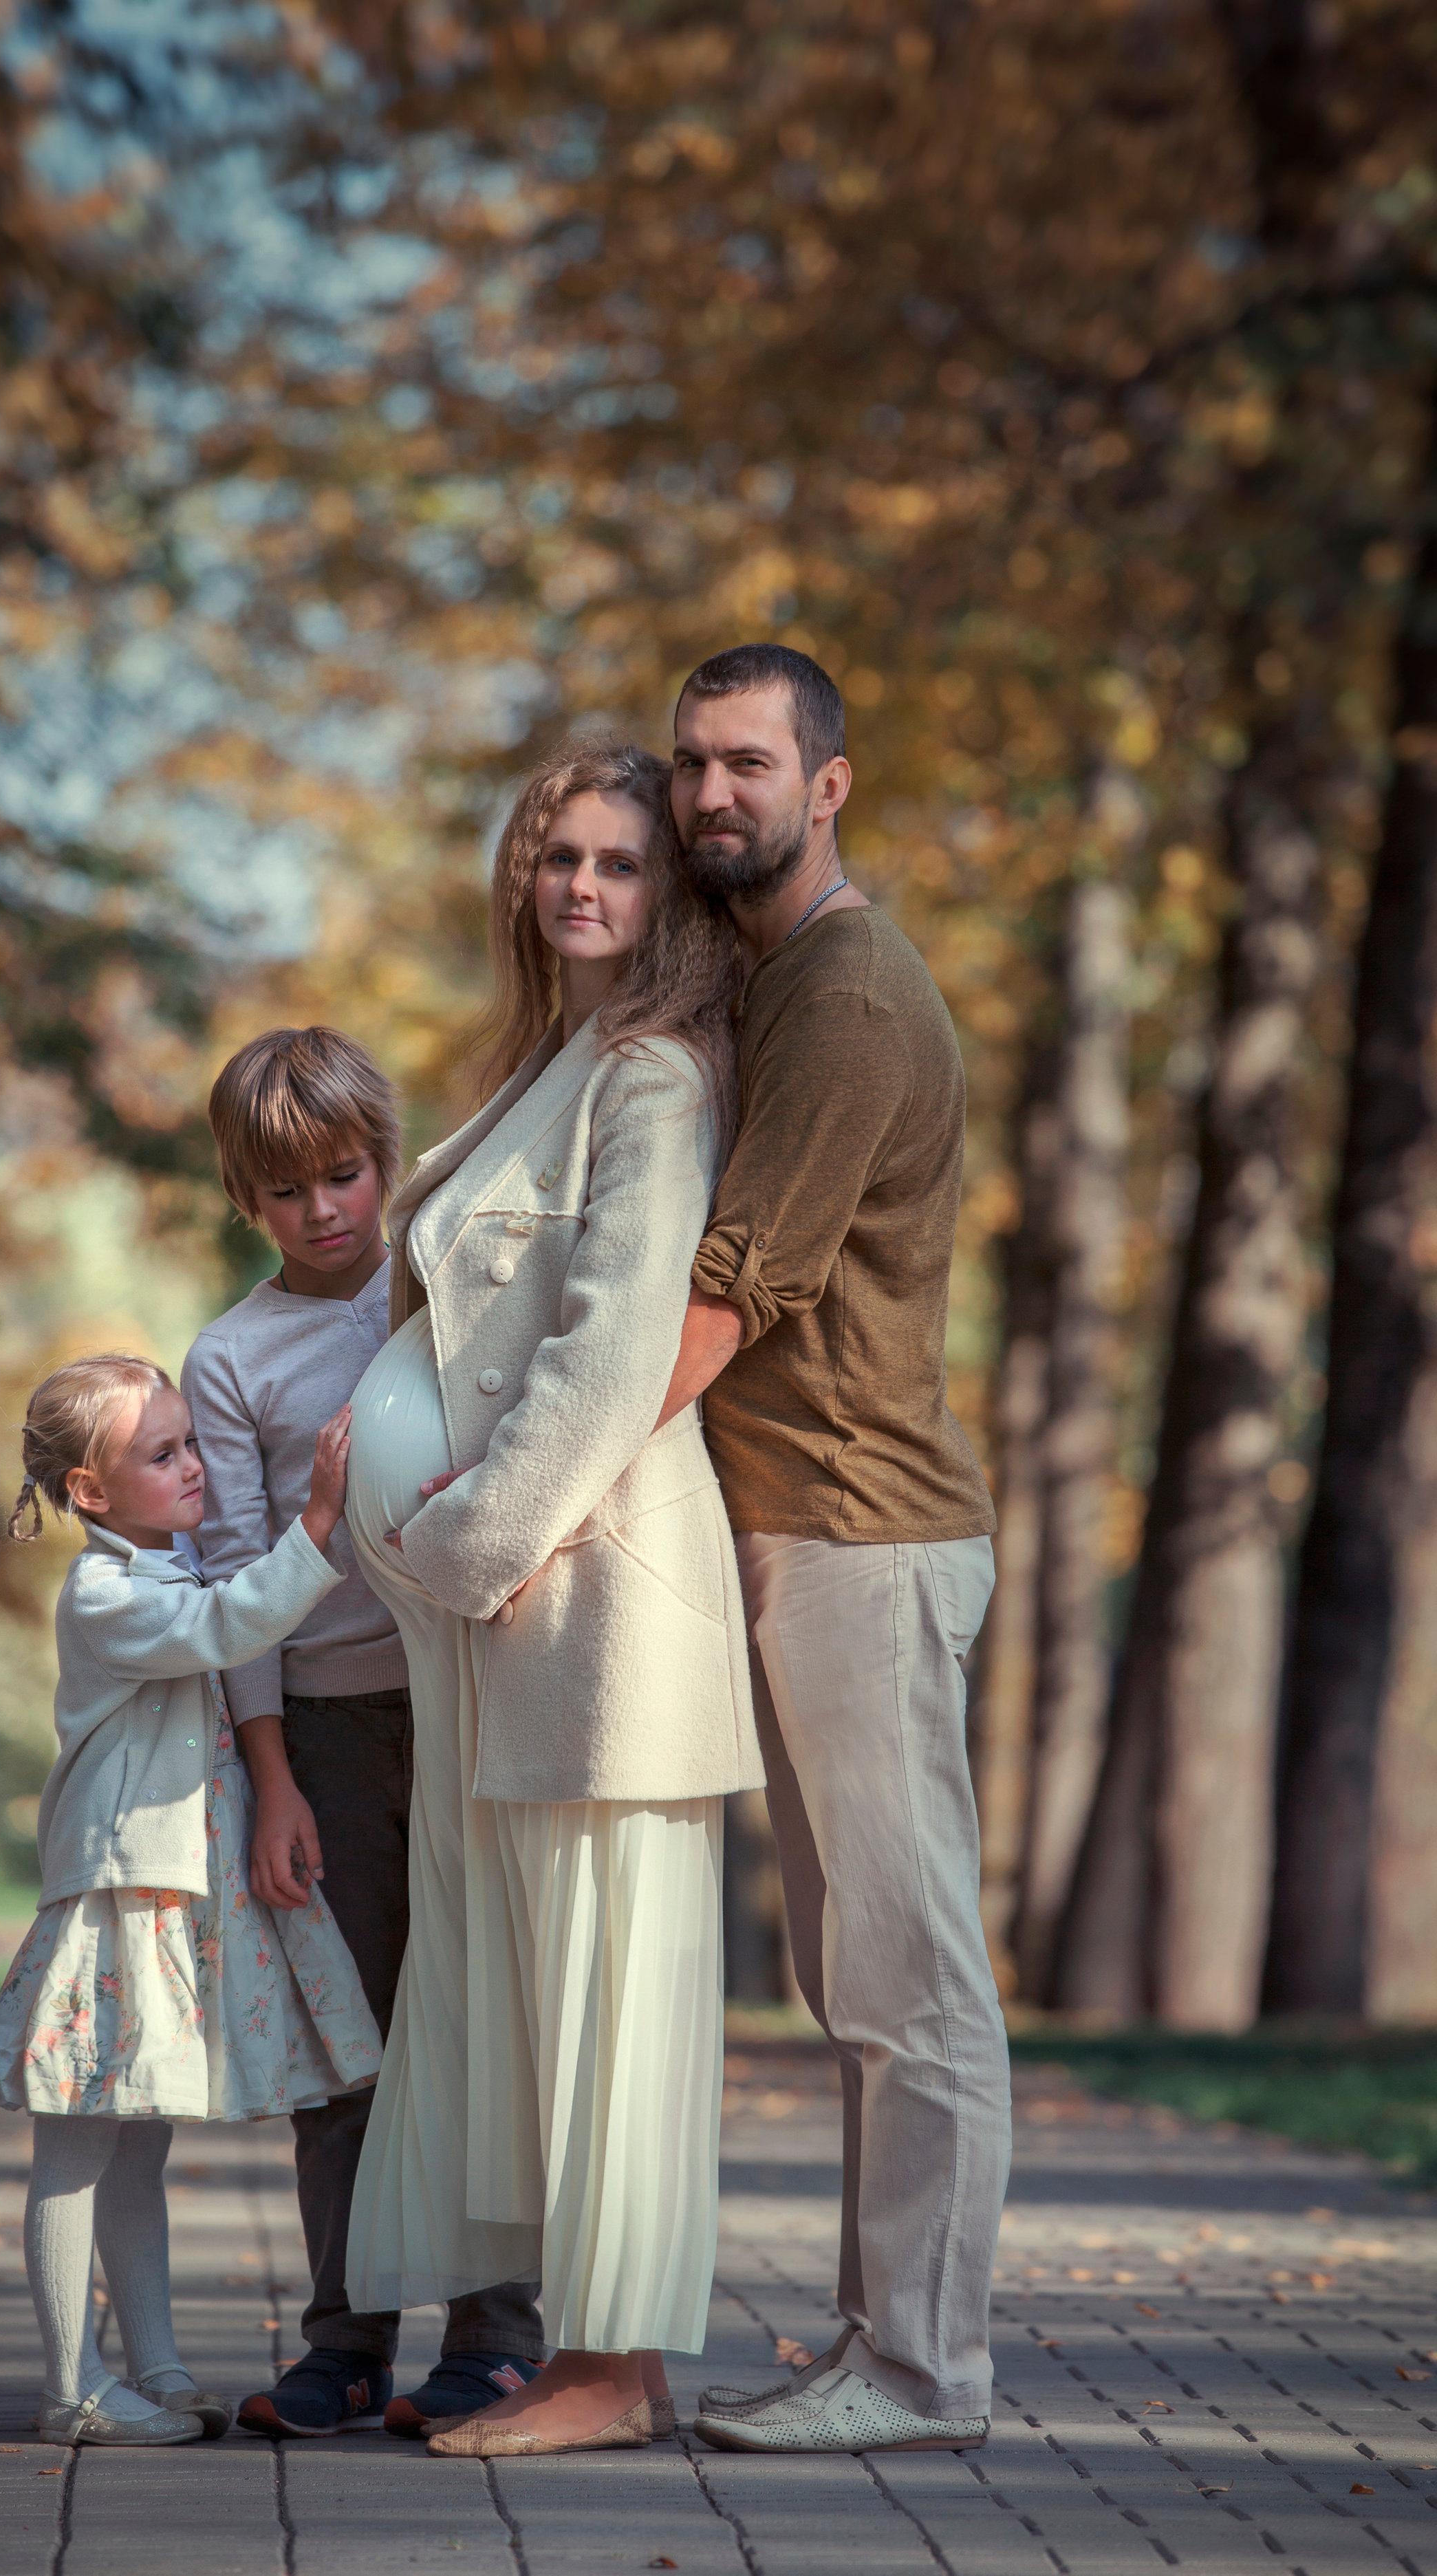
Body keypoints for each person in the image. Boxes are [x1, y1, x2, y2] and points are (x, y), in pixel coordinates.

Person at [341, 736, 764, 2458]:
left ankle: (613, 2372)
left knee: (615, 1993)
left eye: (617, 860)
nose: (581, 885)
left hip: (588, 1604)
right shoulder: (551, 1059)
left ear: (667, 888)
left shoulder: (654, 1075)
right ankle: (571, 2358)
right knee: (536, 1998)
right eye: (555, 859)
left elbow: (607, 1360)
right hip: (505, 1624)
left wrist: (451, 1546)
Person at [651, 643, 1005, 2458]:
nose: (717, 793)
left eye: (751, 764)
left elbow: (729, 1302)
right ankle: (890, 2346)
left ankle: (926, 2373)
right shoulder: (780, 980)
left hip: (863, 1535)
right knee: (858, 1970)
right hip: (810, 1534)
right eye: (694, 763)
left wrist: (535, 1484)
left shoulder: (852, 991)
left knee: (906, 1972)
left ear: (830, 782)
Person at [182, 1027, 544, 2440]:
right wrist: (269, 1778)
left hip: (465, 1702)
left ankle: (496, 2337)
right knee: (349, 2052)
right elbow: (230, 1579)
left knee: (476, 2026)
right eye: (285, 1191)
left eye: (342, 1175)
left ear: (385, 1162)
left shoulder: (442, 1292)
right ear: (243, 1199)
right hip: (324, 1733)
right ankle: (342, 2343)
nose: (322, 1209)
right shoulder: (232, 1356)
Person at [0, 1353, 378, 2447]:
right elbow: (226, 1630)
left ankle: (151, 2362)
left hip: (159, 1896)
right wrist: (318, 1524)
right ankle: (72, 2384)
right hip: (114, 1893)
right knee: (79, 2140)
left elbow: (222, 1611)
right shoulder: (109, 1593)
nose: (193, 1464)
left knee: (137, 2141)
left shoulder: (173, 1562)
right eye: (161, 1453)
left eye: (191, 1441)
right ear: (90, 1493)